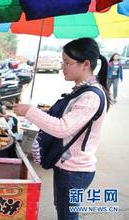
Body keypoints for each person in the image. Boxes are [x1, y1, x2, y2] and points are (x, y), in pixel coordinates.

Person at [13, 38, 111, 220]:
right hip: (68, 166)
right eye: (62, 61)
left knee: (67, 215)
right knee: (65, 211)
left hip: (75, 170)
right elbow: (71, 117)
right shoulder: (83, 90)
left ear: (85, 64)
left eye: (67, 62)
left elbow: (63, 128)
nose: (62, 67)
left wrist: (29, 111)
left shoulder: (90, 96)